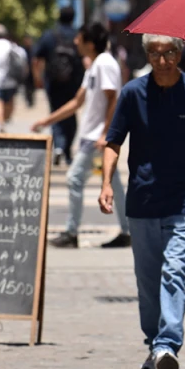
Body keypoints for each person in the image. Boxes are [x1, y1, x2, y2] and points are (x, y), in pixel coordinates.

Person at [98, 34, 185, 369]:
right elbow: (113, 141)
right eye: (155, 53)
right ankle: (155, 344)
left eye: (168, 53)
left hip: (184, 200)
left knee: (174, 272)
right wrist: (106, 183)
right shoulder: (133, 93)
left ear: (179, 54)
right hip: (143, 200)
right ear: (147, 55)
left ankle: (168, 343)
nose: (162, 60)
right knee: (148, 282)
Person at [33, 23, 131, 249]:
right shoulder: (96, 65)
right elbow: (77, 102)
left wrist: (106, 133)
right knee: (113, 183)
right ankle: (127, 230)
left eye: (79, 38)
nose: (75, 42)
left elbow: (113, 98)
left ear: (89, 42)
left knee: (74, 178)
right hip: (93, 137)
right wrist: (47, 121)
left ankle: (71, 232)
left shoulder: (105, 64)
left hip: (97, 139)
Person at [34, 7, 85, 165]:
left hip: (53, 82)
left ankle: (59, 147)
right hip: (75, 82)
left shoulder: (50, 35)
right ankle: (67, 150)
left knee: (56, 113)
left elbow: (37, 58)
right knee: (70, 114)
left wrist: (37, 78)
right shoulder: (78, 36)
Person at [21, 34, 38, 108]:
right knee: (26, 87)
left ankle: (31, 100)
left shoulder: (34, 50)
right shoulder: (22, 50)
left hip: (32, 71)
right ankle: (28, 100)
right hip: (25, 71)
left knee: (32, 87)